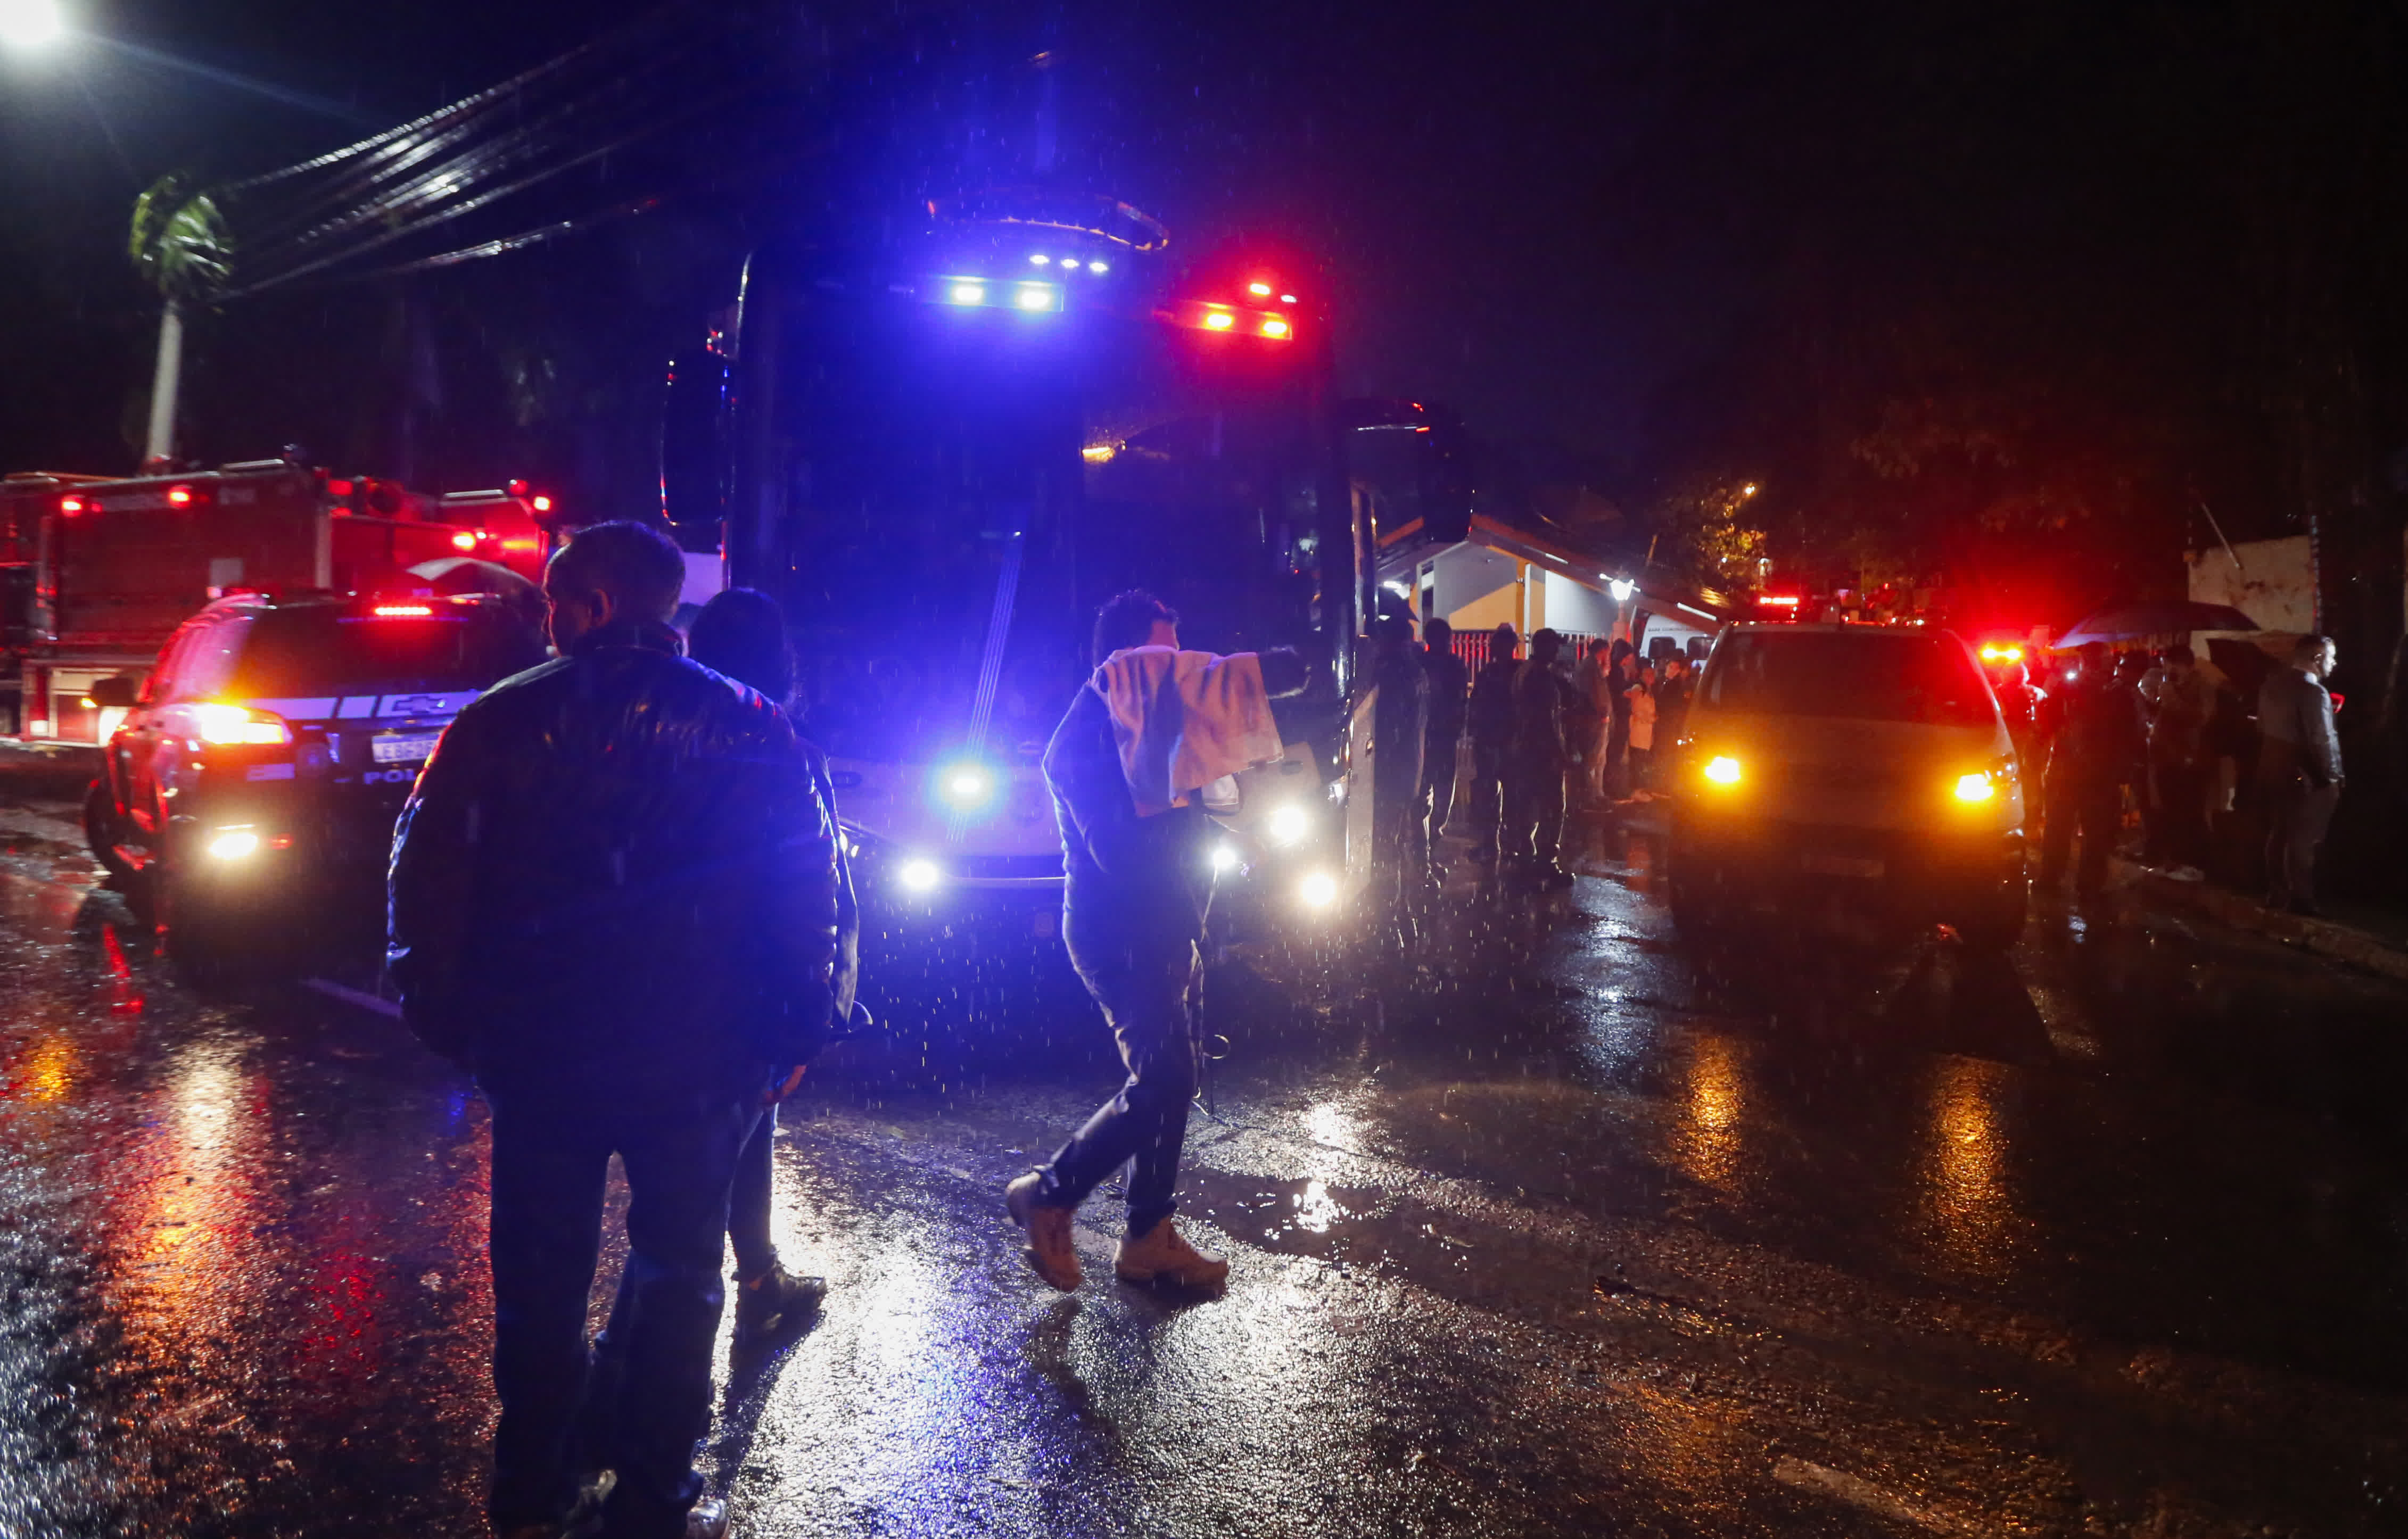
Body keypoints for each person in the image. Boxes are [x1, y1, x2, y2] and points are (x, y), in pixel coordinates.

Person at [389, 522, 838, 1539]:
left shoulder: (498, 722)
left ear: (589, 608)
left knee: (540, 1274)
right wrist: (794, 1027)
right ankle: (653, 1490)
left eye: (556, 602)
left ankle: (531, 1488)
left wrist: (456, 1021)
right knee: (680, 1271)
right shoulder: (753, 723)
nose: (549, 623)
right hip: (703, 1052)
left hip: (541, 1050)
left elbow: (425, 887)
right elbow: (806, 891)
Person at [1004, 591, 1305, 1294]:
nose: (1179, 674)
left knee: (1178, 1078)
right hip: (1122, 931)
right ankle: (1049, 1192)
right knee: (1165, 1078)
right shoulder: (1085, 737)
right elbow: (1121, 852)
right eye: (1163, 659)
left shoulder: (1150, 724)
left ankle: (1147, 1235)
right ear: (1123, 662)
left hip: (1166, 925)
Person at [682, 587, 862, 1347]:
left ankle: (759, 1275)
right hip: (747, 985)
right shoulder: (778, 744)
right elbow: (812, 892)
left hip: (688, 979)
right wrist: (811, 1011)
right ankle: (622, 1383)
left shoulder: (673, 737)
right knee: (691, 1191)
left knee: (745, 1130)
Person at [2036, 642, 2147, 897]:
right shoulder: (2070, 688)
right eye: (2092, 660)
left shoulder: (2117, 693)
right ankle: (2056, 879)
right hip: (2072, 770)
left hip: (2096, 772)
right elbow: (2048, 722)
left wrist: (2121, 767)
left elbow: (2129, 734)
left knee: (2091, 831)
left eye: (2099, 661)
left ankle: (2080, 883)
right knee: (2062, 827)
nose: (2095, 666)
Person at [2257, 633, 2344, 915]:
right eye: (2331, 657)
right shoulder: (2314, 692)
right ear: (2316, 658)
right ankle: (2301, 899)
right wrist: (2332, 776)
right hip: (2305, 775)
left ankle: (2276, 892)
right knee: (2304, 838)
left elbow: (2263, 727)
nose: (2334, 663)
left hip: (2274, 770)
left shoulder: (2271, 685)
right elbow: (2320, 740)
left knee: (2280, 832)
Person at [1502, 628, 1580, 888]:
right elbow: (1546, 722)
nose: (1559, 652)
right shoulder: (1541, 678)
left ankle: (1527, 861)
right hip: (1542, 754)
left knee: (1527, 808)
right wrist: (1561, 754)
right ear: (1545, 647)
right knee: (1552, 808)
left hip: (1525, 751)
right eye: (1555, 646)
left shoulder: (1525, 672)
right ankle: (1547, 863)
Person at [1367, 615, 1430, 910]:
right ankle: (1400, 895)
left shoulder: (1394, 674)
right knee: (1400, 832)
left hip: (1391, 769)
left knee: (1385, 836)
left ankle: (1386, 899)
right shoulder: (1417, 671)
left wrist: (1378, 765)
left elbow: (1391, 725)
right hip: (1410, 767)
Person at [2139, 647, 2217, 873]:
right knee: (2169, 810)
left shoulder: (2202, 687)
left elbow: (2202, 718)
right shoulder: (2170, 686)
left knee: (2189, 811)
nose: (2166, 669)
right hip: (2167, 759)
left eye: (2170, 665)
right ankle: (2174, 859)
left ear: (2185, 665)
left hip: (2190, 761)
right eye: (2164, 664)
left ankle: (2195, 863)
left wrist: (2171, 697)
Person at [1464, 624, 1522, 868]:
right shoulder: (1515, 672)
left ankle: (1498, 845)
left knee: (1498, 795)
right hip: (1503, 741)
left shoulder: (1496, 673)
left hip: (1500, 740)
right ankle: (1505, 845)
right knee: (1504, 795)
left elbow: (1477, 706)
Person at [1416, 618, 1470, 871]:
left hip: (1426, 736)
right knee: (1441, 789)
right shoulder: (1453, 665)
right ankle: (1429, 842)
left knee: (1425, 789)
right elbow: (1460, 701)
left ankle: (1423, 846)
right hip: (1441, 736)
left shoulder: (1421, 664)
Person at [1624, 660, 1658, 795]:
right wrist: (1651, 718)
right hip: (1638, 733)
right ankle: (1636, 792)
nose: (1651, 677)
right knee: (1637, 765)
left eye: (1652, 674)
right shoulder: (1639, 689)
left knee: (1640, 764)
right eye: (1647, 674)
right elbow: (1636, 710)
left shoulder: (1648, 691)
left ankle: (1639, 791)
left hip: (1645, 735)